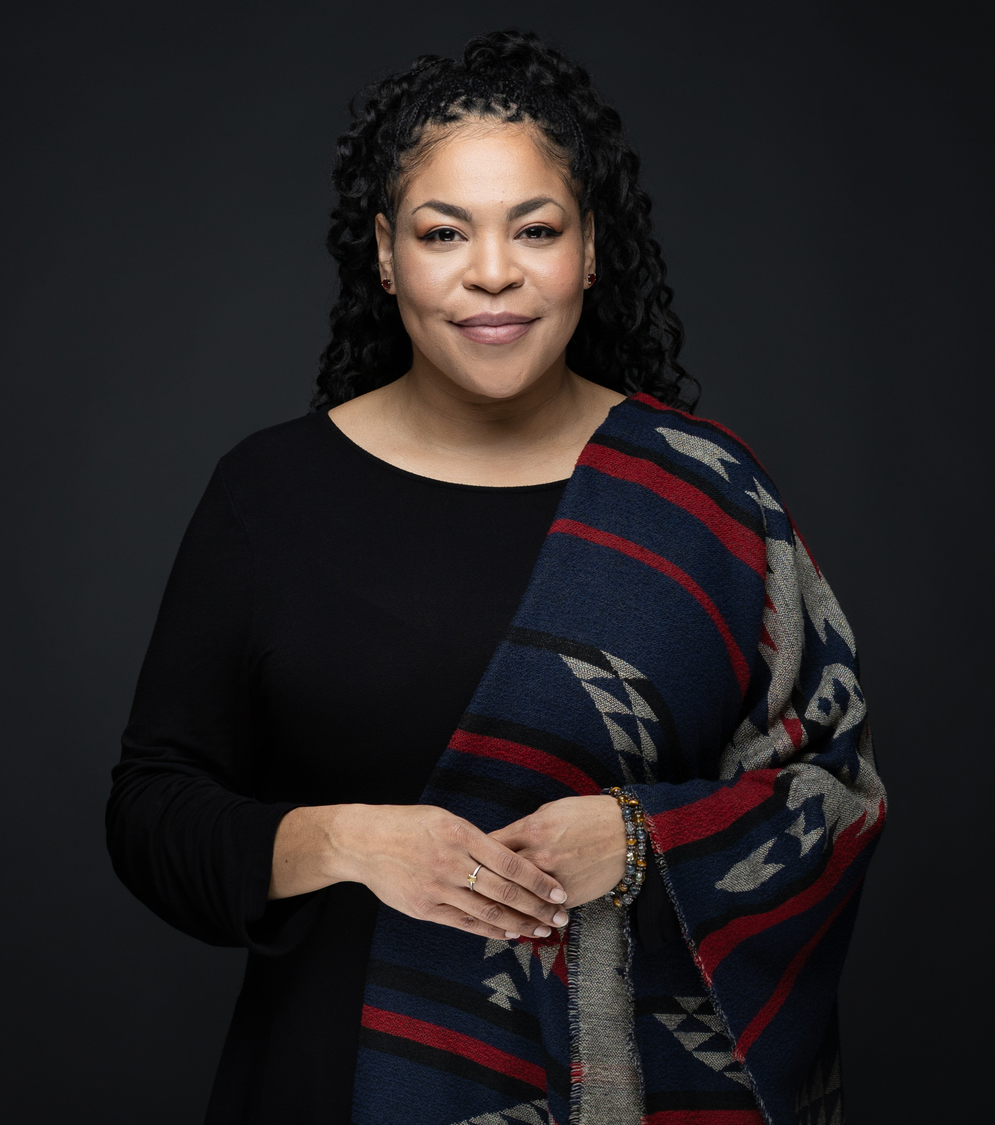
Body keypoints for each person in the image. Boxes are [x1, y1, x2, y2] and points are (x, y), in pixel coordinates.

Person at [107, 29, 884, 1125]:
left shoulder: (704, 497)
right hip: (338, 1084)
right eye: (443, 232)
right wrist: (348, 841)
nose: (492, 271)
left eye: (536, 228)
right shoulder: (269, 493)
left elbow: (834, 792)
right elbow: (150, 810)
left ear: (590, 249)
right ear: (386, 257)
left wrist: (635, 842)